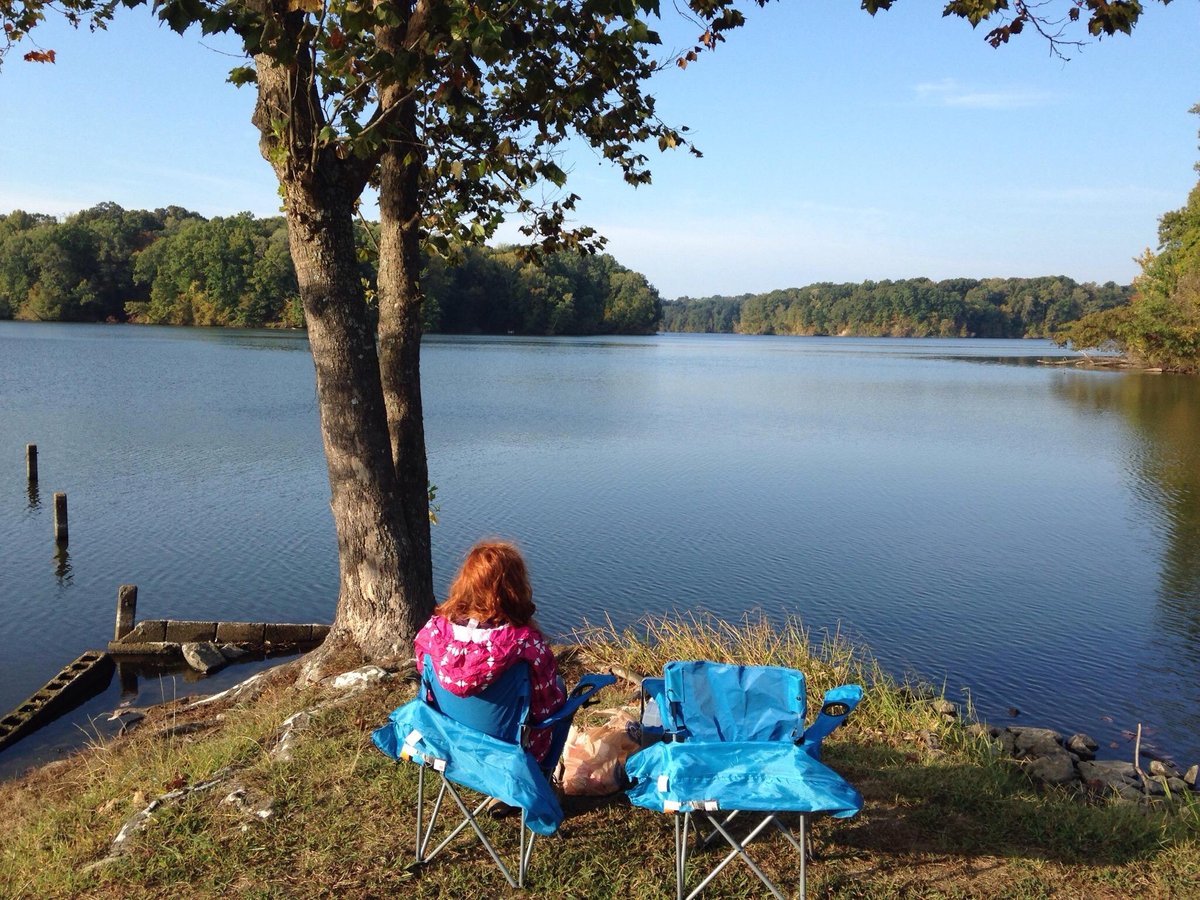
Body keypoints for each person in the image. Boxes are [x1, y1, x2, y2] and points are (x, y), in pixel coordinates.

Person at [414, 539, 566, 763]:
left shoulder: (432, 632)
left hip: (446, 742)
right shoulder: (525, 643)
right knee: (559, 690)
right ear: (515, 589)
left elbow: (425, 677)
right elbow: (546, 707)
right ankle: (542, 785)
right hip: (509, 755)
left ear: (465, 583)